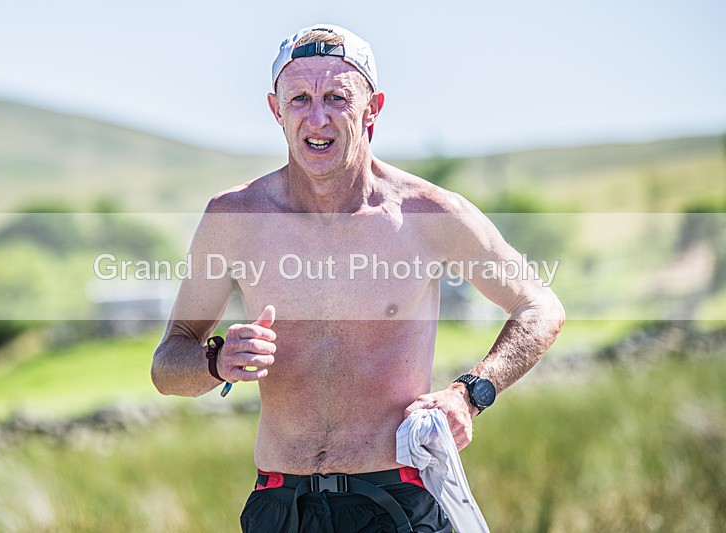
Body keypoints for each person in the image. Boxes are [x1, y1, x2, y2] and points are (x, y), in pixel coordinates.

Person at [151, 23, 565, 532]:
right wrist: (216, 360)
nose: (316, 116)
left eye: (337, 97)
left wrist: (470, 392)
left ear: (372, 109)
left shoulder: (426, 214)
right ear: (276, 110)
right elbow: (168, 364)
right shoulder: (235, 218)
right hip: (281, 504)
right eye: (299, 98)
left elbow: (539, 306)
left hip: (395, 500)